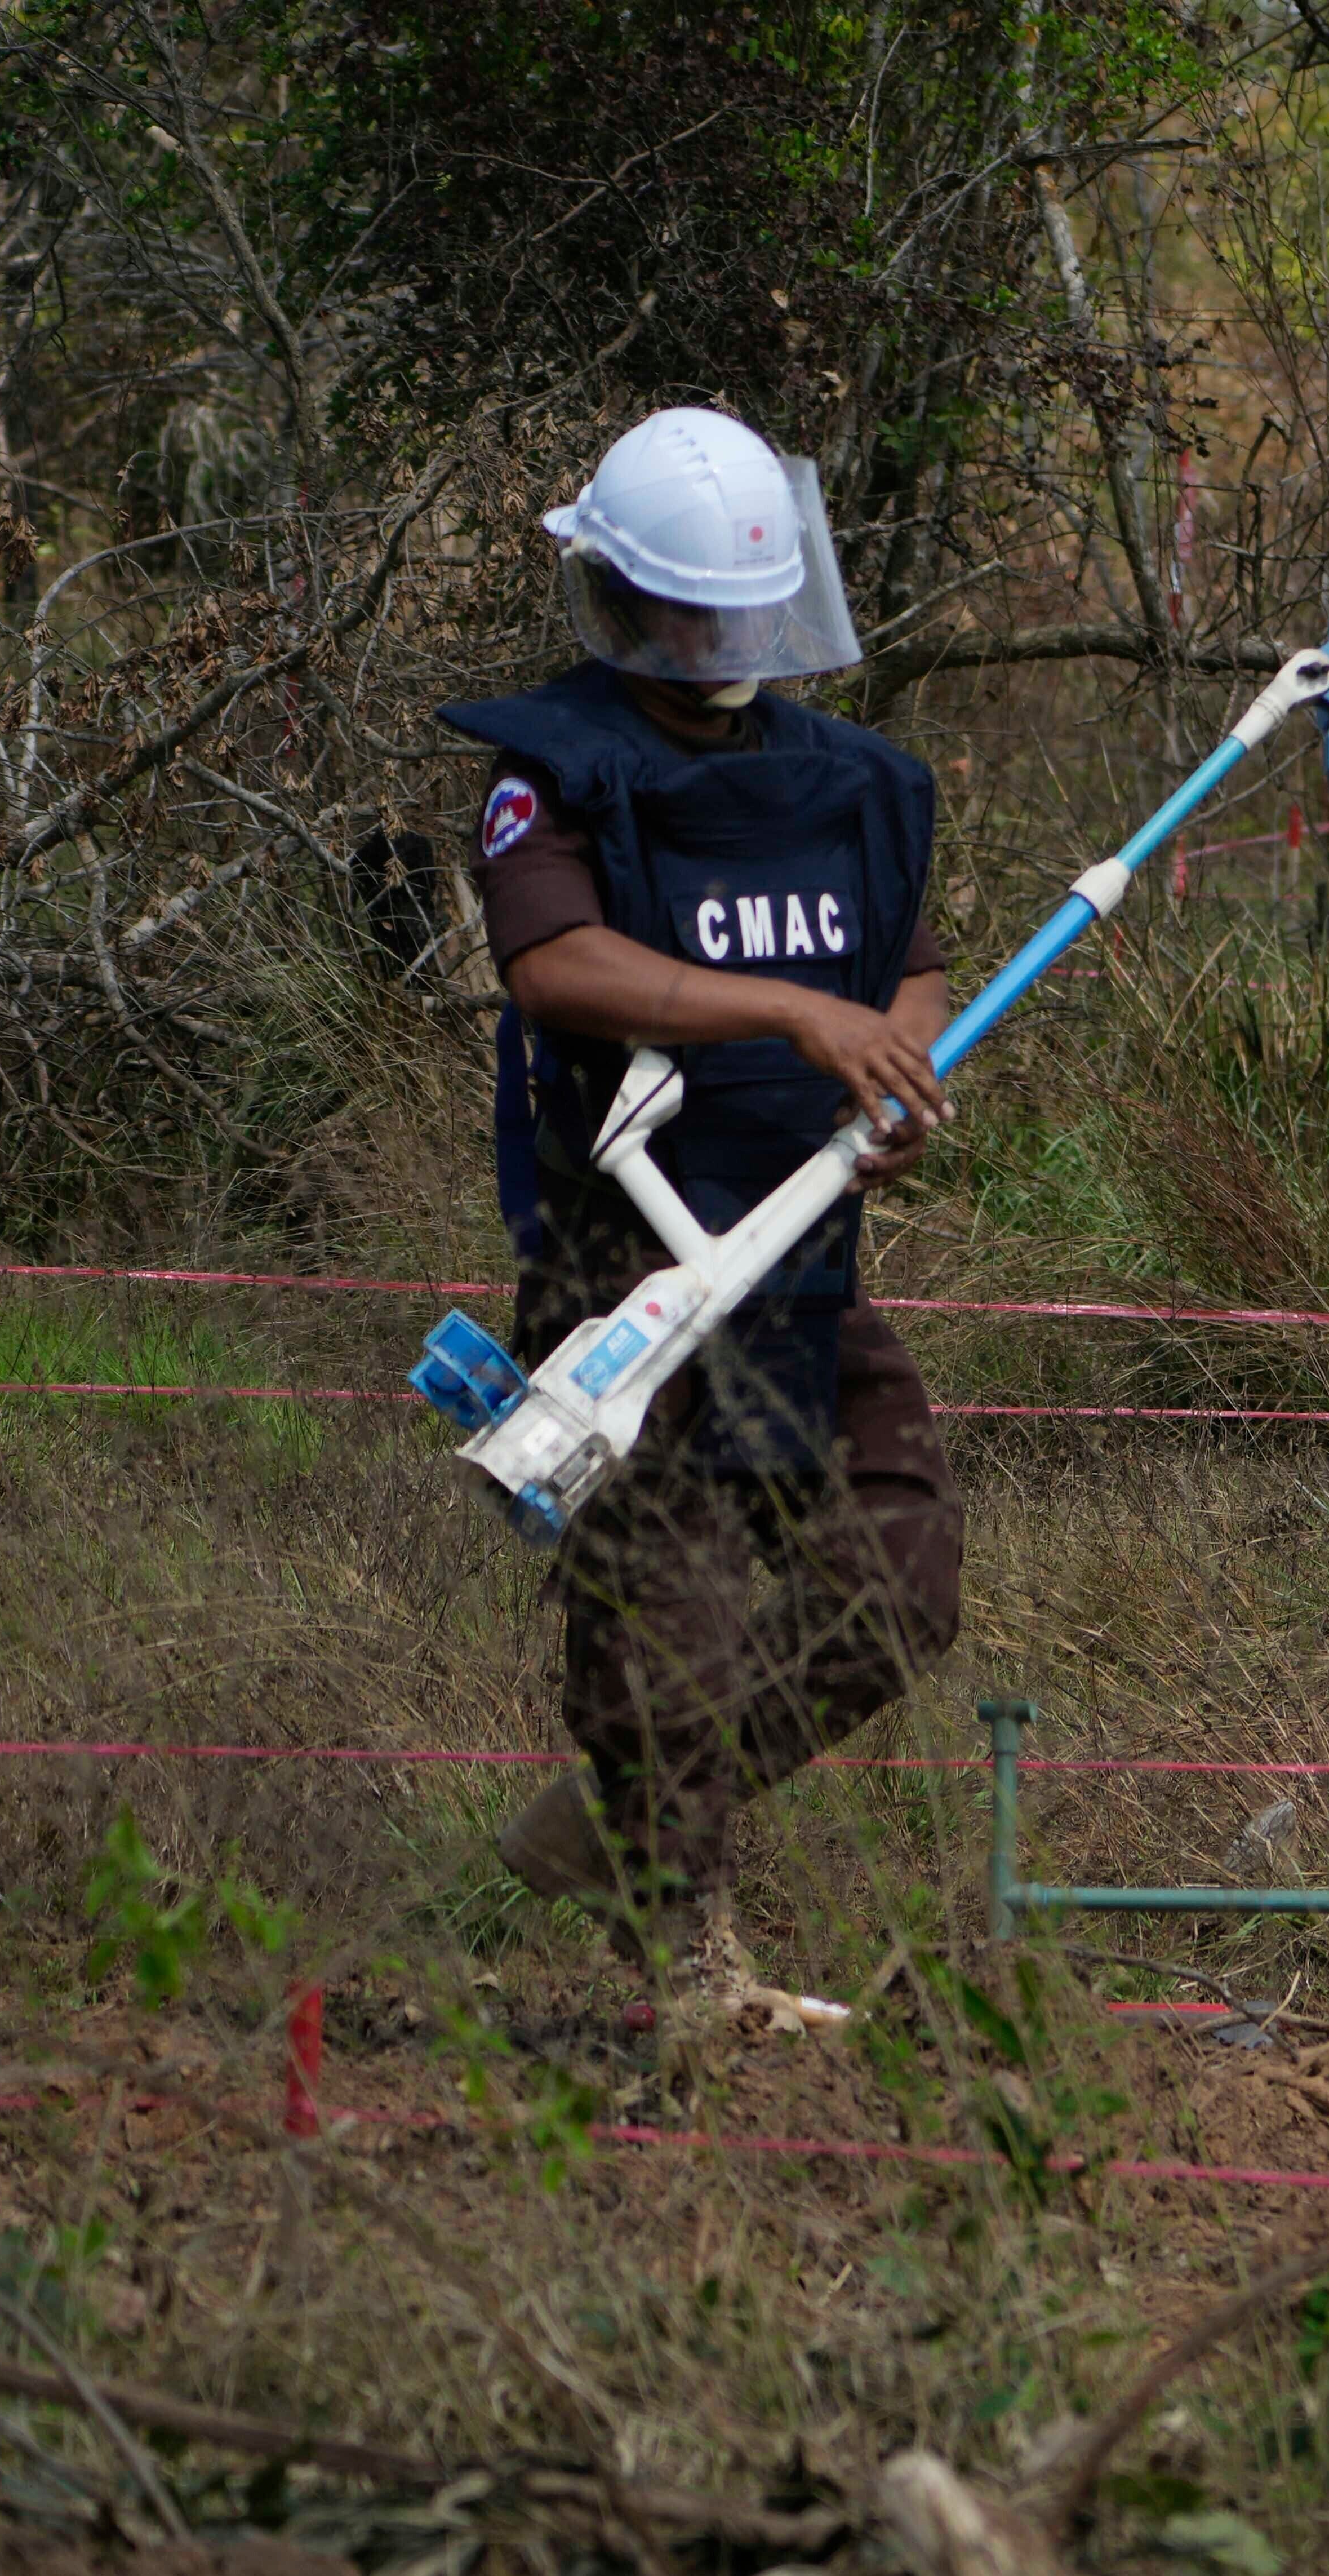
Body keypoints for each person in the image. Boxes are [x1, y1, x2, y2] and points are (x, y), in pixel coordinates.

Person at [441, 405, 963, 2033]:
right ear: (616, 597)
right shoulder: (557, 773)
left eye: (741, 611)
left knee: (902, 1571)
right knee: (658, 1624)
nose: (716, 641)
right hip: (632, 1281)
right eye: (684, 611)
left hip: (803, 1261)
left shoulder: (860, 784)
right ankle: (688, 1973)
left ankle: (617, 1821)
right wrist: (796, 1016)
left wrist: (897, 1065)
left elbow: (913, 970)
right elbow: (553, 965)